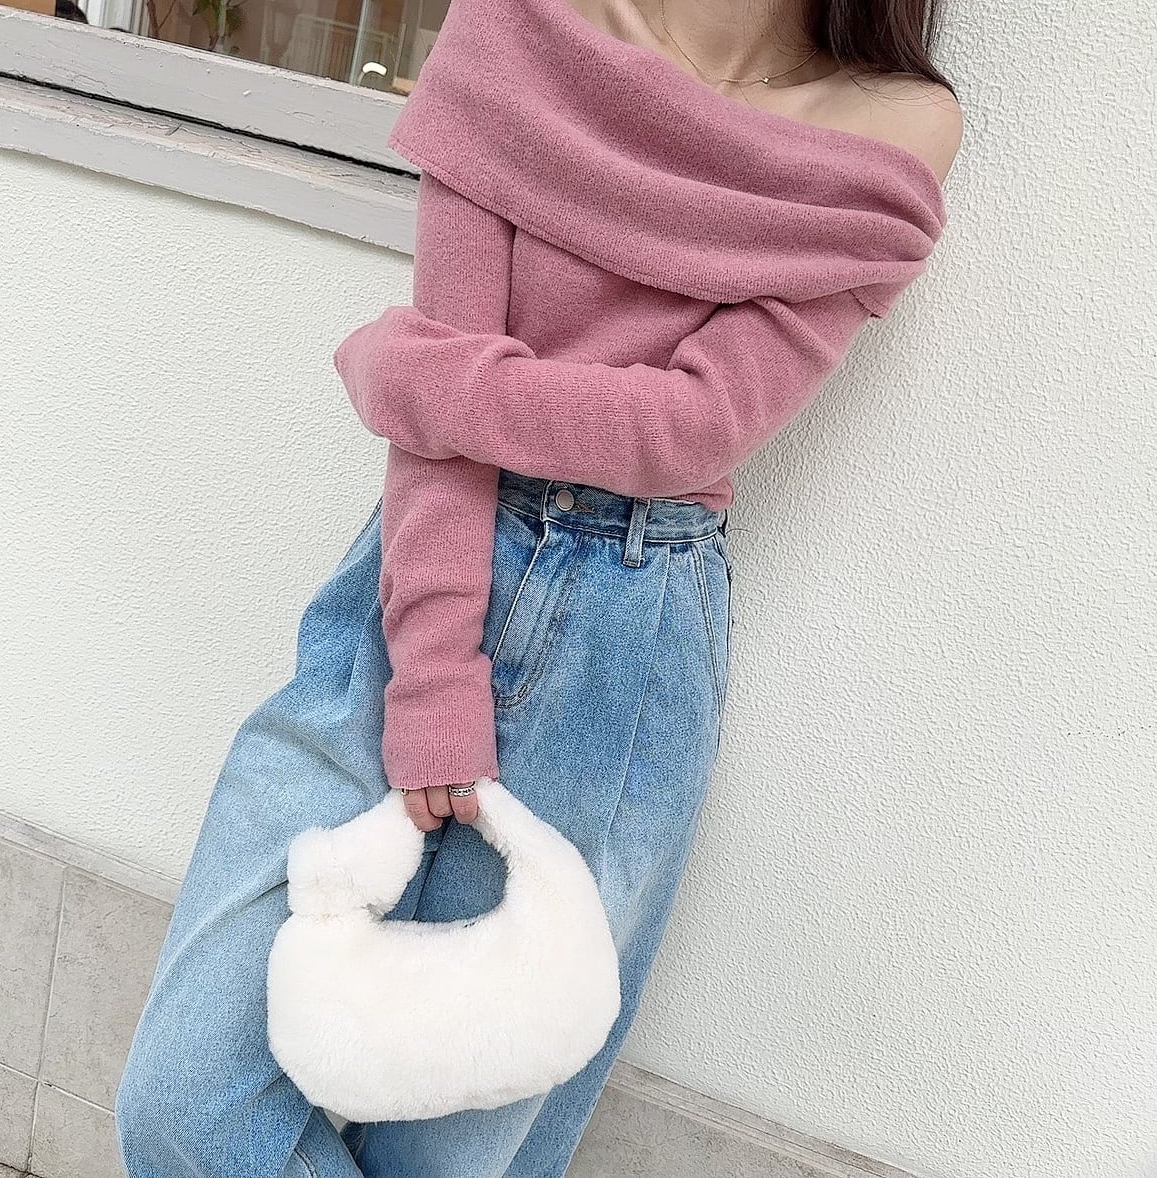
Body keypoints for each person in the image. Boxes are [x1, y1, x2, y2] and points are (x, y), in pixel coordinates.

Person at [115, 0, 963, 1175]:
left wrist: (417, 379)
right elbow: (503, 428)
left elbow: (688, 428)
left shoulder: (896, 124)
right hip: (419, 567)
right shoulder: (524, 22)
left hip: (628, 630)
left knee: (453, 1153)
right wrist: (433, 677)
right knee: (187, 1103)